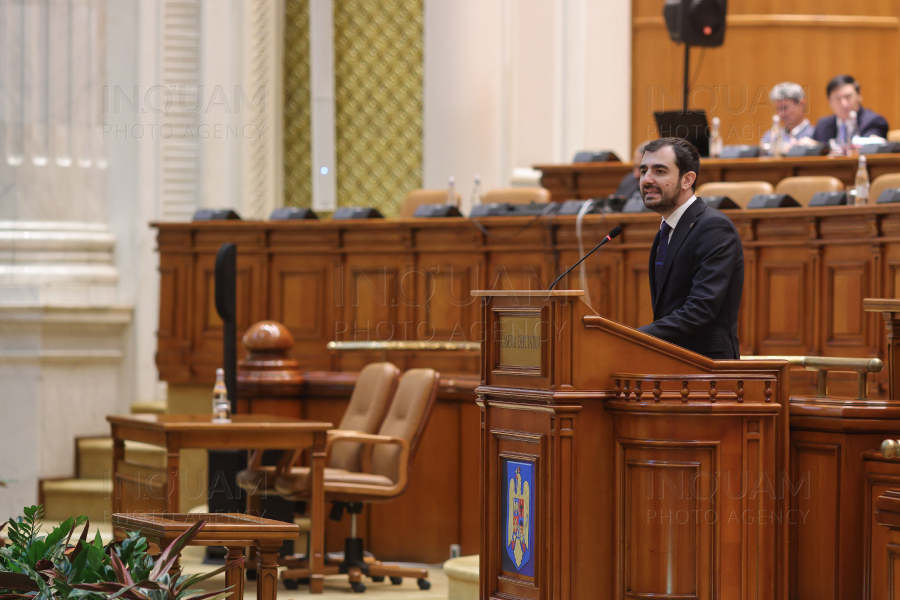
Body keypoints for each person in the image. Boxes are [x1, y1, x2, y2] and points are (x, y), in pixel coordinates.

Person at [636, 137, 744, 360]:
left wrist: (635, 337)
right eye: (644, 170)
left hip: (707, 368)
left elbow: (700, 310)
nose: (646, 179)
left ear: (687, 179)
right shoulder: (666, 230)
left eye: (659, 171)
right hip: (674, 363)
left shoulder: (713, 227)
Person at [812, 74, 888, 144]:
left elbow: (871, 146)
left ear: (859, 96)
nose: (844, 104)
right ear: (829, 102)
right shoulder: (823, 126)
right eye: (837, 99)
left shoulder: (873, 121)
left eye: (848, 97)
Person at [760, 82, 814, 150]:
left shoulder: (816, 134)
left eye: (784, 108)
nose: (780, 114)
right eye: (777, 109)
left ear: (801, 104)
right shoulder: (770, 137)